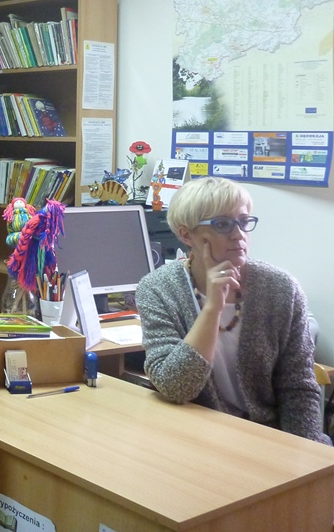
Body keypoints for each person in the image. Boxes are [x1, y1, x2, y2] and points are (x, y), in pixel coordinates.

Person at [136, 176, 330, 444]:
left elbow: (298, 388)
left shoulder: (281, 289)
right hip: (198, 439)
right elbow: (175, 388)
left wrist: (302, 453)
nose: (239, 234)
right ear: (186, 235)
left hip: (269, 436)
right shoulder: (158, 289)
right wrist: (212, 308)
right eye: (222, 224)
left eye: (243, 221)